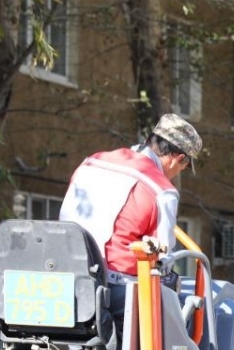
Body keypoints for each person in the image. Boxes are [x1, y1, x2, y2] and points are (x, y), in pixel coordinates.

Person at [59, 113, 203, 336]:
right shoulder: (162, 191)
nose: (177, 173)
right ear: (177, 158)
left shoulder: (92, 161)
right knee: (177, 296)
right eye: (184, 167)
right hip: (115, 290)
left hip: (64, 274)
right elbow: (161, 258)